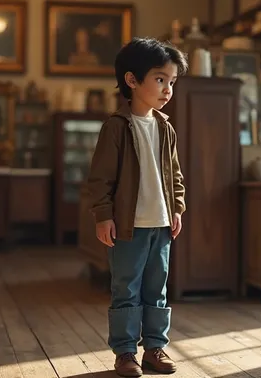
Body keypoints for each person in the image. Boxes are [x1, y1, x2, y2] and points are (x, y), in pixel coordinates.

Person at [84, 37, 187, 377]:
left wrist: (177, 208)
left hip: (160, 225)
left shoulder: (165, 127)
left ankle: (155, 348)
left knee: (157, 289)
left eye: (171, 82)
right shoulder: (115, 126)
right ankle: (125, 352)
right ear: (132, 80)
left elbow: (174, 175)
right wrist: (103, 216)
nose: (167, 88)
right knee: (125, 289)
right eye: (160, 79)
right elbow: (100, 179)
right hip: (128, 226)